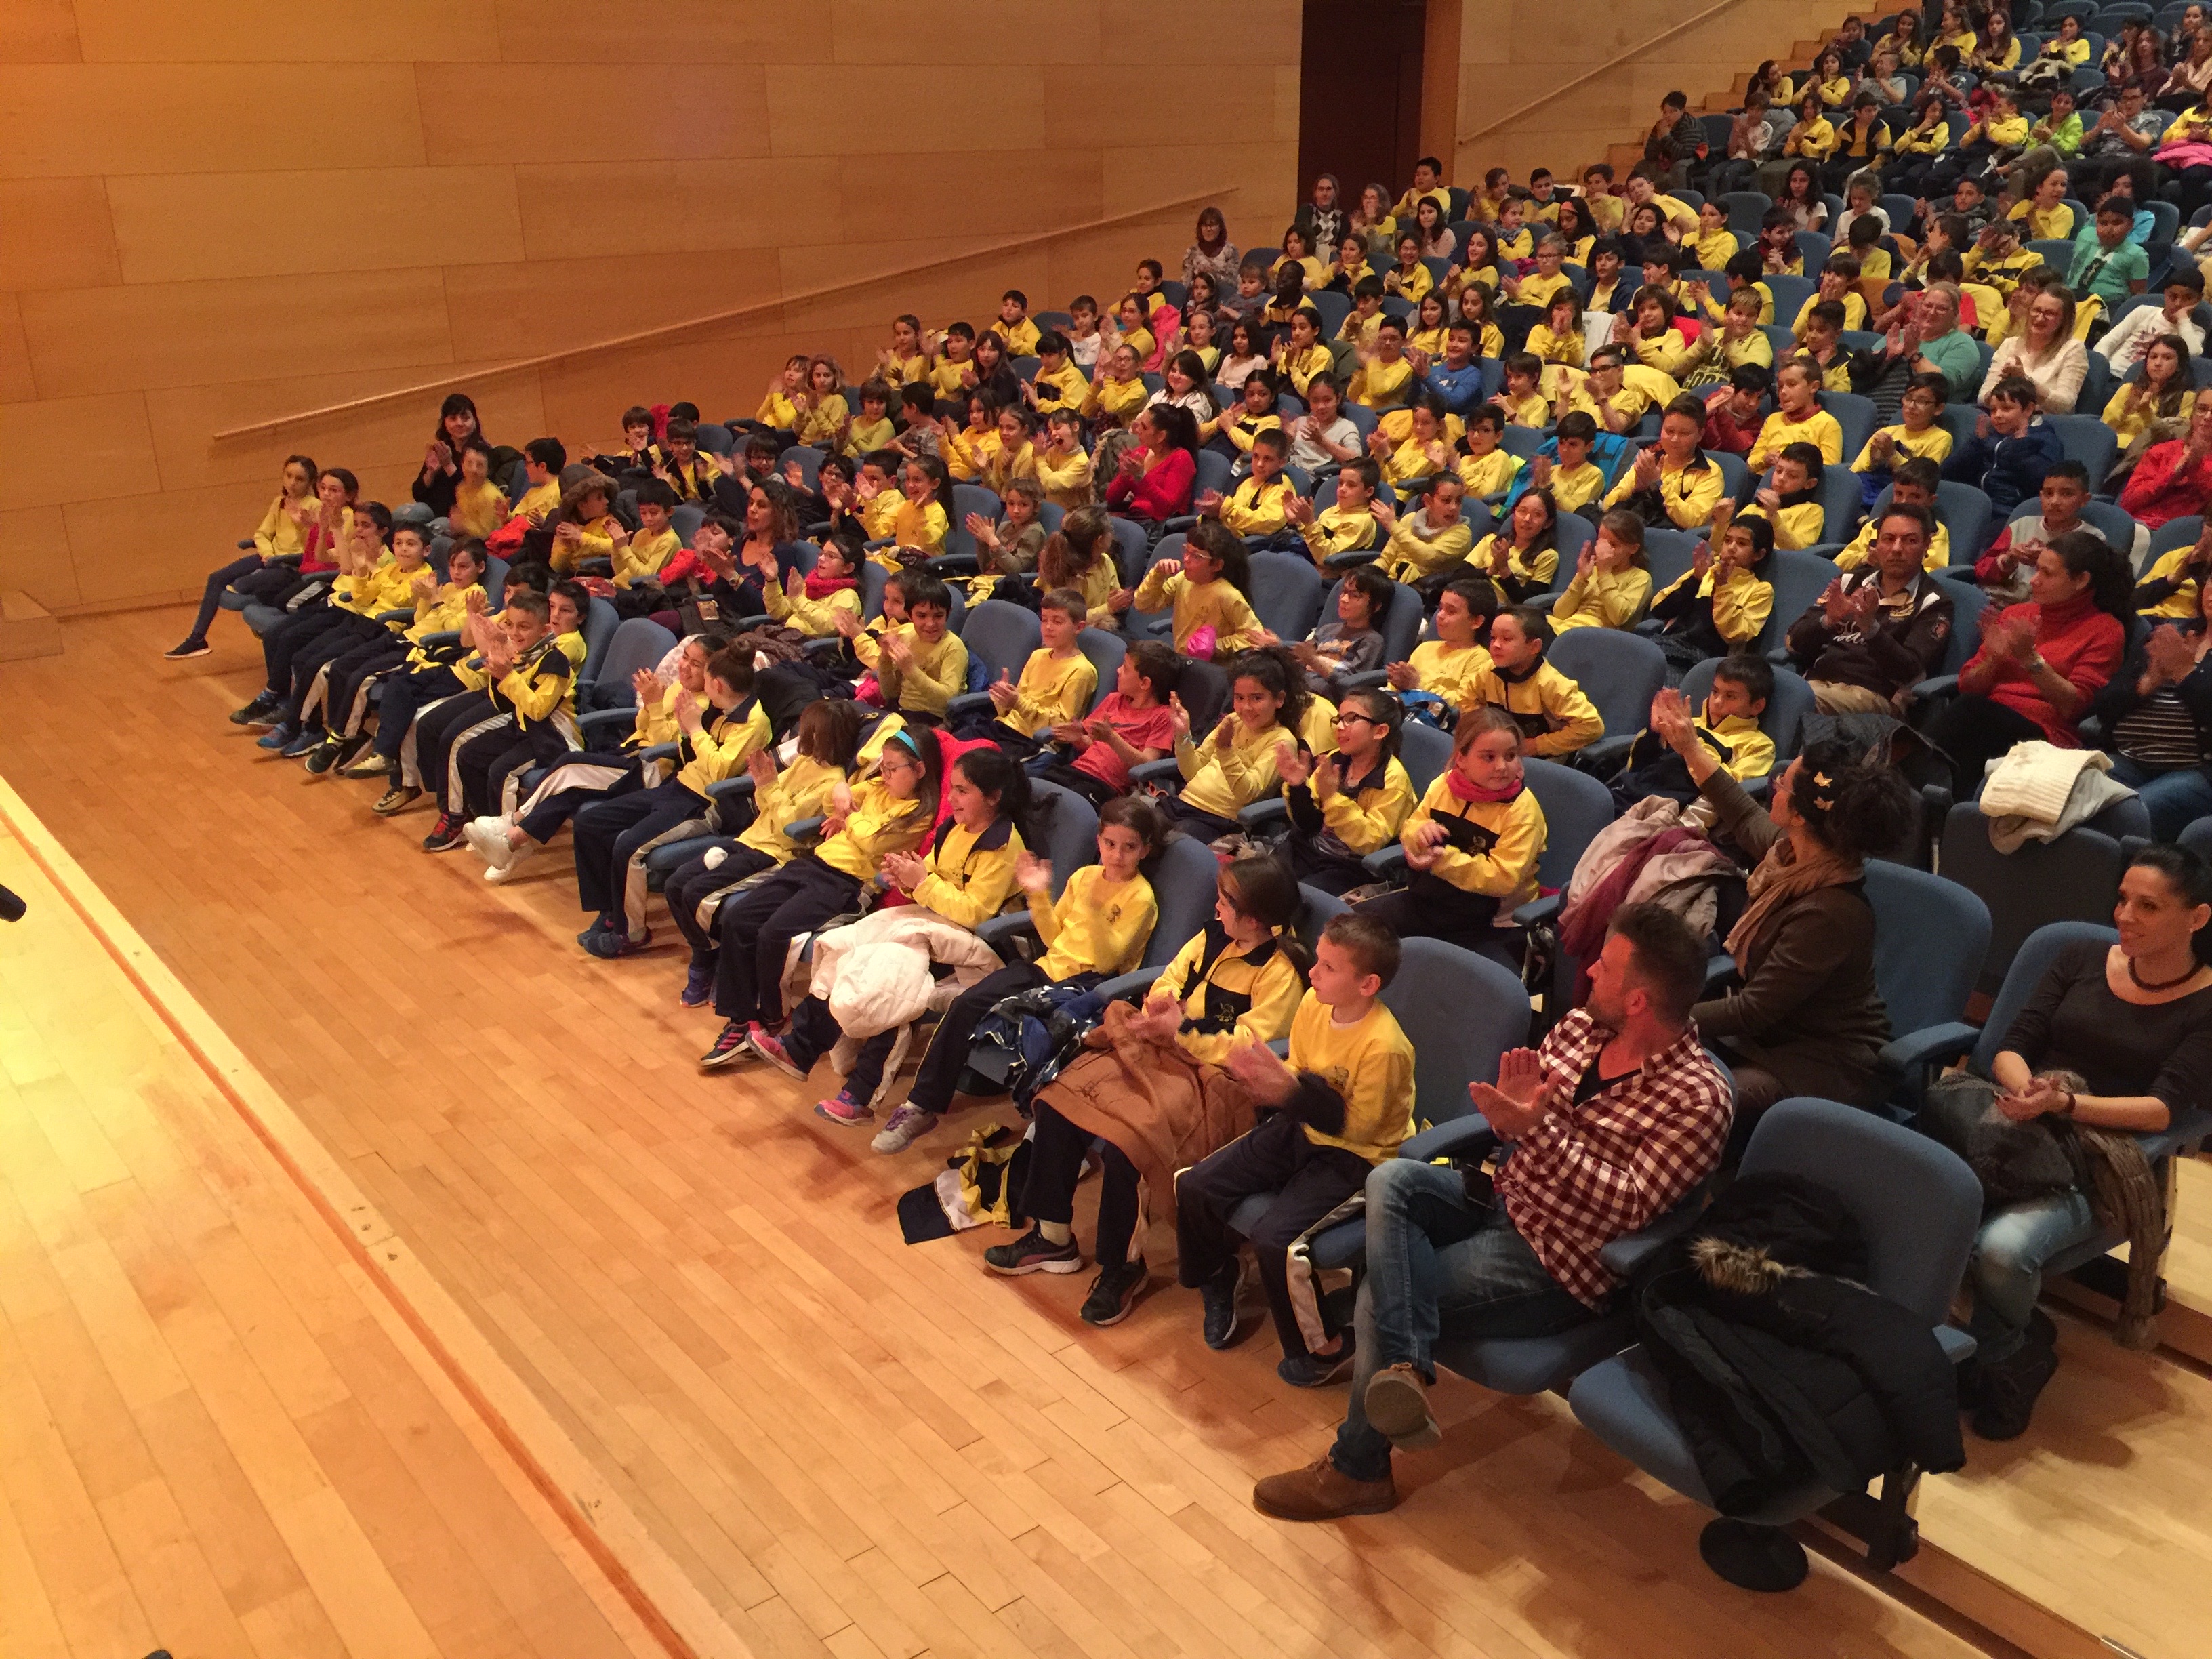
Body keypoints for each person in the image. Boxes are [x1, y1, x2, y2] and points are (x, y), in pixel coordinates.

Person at [1249, 903, 1730, 1521]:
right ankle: (1407, 1367)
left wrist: (1537, 1133)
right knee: (1393, 1180)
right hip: (1503, 1195)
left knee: (1378, 1296)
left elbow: (1631, 1207)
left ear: (1638, 1000)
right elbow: (1522, 1124)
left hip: (1559, 1258)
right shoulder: (1582, 1030)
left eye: (1605, 969)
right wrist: (1512, 1122)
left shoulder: (1696, 1098)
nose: (1586, 977)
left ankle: (1358, 1468)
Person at [1954, 846, 2212, 1438]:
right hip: (2019, 1131)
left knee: (2001, 1251)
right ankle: (1994, 1346)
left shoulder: (2204, 1003)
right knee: (1922, 1197)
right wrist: (2028, 1094)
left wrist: (2065, 1105)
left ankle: (2005, 1358)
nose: (2124, 915)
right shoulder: (2080, 955)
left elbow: (2160, 1109)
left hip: (2103, 1163)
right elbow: (2010, 1046)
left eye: (2148, 906)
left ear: (2197, 918)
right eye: (2122, 899)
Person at [988, 858, 1309, 1326]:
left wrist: (1184, 1029)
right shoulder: (1210, 937)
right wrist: (1162, 1003)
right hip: (1162, 1050)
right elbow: (1171, 978)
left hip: (1214, 1079)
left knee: (1131, 1147)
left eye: (1226, 902)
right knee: (1060, 1101)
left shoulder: (1280, 972)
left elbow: (1249, 1042)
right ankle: (1053, 1235)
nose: (1216, 907)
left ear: (1256, 919)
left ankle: (1124, 1268)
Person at [1178, 914, 1416, 1385]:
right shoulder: (1313, 1003)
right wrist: (1276, 1084)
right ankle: (1219, 1275)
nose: (1313, 972)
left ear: (1367, 984)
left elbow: (1361, 1129)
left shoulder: (1386, 1047)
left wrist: (1287, 1091)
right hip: (1304, 1125)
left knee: (1276, 1241)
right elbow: (1300, 1067)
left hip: (1358, 1157)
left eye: (1328, 967)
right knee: (1196, 1185)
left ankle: (1323, 1350)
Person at [1650, 701, 1915, 1122]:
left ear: (1799, 815)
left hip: (1824, 1062)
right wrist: (1689, 746)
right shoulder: (1794, 855)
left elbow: (1753, 1010)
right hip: (1773, 1038)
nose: (1773, 783)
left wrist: (1659, 1015)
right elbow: (1740, 811)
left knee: (1687, 1101)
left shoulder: (1830, 913)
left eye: (1785, 784)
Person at [863, 796, 1164, 1156]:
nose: (1117, 855)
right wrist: (1037, 896)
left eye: (1129, 847)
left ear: (1145, 850)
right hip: (1047, 968)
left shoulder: (1141, 897)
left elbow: (1105, 958)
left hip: (1090, 987)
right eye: (1110, 844)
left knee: (1044, 1035)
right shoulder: (1084, 877)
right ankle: (920, 1105)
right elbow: (1055, 938)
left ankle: (1047, 1141)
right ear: (1098, 840)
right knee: (966, 1003)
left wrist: (1097, 914)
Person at [749, 743, 1033, 1123]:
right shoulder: (956, 827)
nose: (953, 799)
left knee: (896, 985)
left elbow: (977, 913)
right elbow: (931, 870)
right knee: (847, 947)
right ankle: (800, 1048)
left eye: (963, 791)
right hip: (929, 921)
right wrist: (907, 873)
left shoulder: (1002, 845)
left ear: (994, 798)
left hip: (973, 941)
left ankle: (861, 1095)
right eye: (952, 789)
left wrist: (924, 883)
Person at [697, 725, 941, 1068]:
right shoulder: (875, 786)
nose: (883, 774)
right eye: (882, 766)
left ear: (919, 770)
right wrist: (843, 791)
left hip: (846, 884)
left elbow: (873, 842)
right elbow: (834, 797)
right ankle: (740, 1020)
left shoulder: (917, 814)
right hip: (813, 863)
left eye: (892, 768)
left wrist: (851, 816)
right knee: (739, 919)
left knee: (775, 933)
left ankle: (772, 1018)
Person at [663, 698, 866, 1010]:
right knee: (676, 884)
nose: (801, 734)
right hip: (749, 839)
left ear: (822, 736)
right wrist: (766, 785)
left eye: (807, 730)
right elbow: (765, 800)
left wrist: (770, 786)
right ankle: (708, 952)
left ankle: (706, 961)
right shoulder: (804, 763)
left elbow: (790, 825)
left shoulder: (833, 781)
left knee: (696, 892)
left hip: (774, 855)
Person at [567, 647, 770, 956]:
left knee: (629, 847)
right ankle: (611, 912)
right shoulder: (720, 710)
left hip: (704, 804)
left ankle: (631, 934)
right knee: (590, 822)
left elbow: (719, 773)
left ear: (717, 685)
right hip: (678, 787)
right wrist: (687, 731)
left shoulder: (753, 723)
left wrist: (696, 728)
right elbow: (688, 755)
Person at [1929, 531, 2133, 794]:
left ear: (2081, 580)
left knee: (1970, 717)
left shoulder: (2106, 630)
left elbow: (2074, 707)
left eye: (2047, 574)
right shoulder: (2016, 614)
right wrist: (1994, 660)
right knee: (1967, 719)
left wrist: (2030, 660)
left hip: (2045, 736)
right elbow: (1967, 686)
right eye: (2036, 571)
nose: (2034, 581)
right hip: (1985, 720)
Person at [1353, 707, 1547, 966]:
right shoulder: (1443, 785)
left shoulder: (1523, 811)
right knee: (1352, 934)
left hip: (1491, 921)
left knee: (1440, 979)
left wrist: (1441, 860)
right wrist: (1418, 837)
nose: (1502, 766)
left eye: (1511, 756)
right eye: (1488, 757)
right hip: (1430, 900)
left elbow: (1504, 879)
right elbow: (1412, 826)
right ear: (1462, 759)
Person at [1785, 502, 1957, 713]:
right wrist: (1827, 622)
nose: (1896, 549)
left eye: (1909, 541)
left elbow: (1911, 673)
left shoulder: (1934, 602)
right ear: (1877, 543)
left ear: (1927, 544)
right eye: (1888, 539)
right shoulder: (1849, 582)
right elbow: (1794, 643)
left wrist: (1870, 629)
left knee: (1791, 704)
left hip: (1875, 697)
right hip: (1818, 682)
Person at [169, 453, 325, 659]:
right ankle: (197, 639)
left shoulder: (315, 506)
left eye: (299, 479)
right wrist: (267, 553)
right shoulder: (280, 502)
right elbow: (262, 534)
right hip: (269, 557)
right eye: (289, 476)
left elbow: (314, 546)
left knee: (241, 585)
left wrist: (302, 524)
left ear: (310, 482)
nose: (292, 483)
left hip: (290, 564)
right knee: (216, 578)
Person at [2094, 581, 2212, 836]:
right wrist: (2147, 683)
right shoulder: (2172, 633)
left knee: (2132, 813)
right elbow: (2103, 706)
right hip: (2128, 758)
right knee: (2075, 797)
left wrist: (2185, 673)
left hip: (2195, 772)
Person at [1160, 646, 1310, 841]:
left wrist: (1225, 750)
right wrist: (1183, 736)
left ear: (1279, 699)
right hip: (1183, 804)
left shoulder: (1281, 740)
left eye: (1257, 698)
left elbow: (1248, 793)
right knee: (1131, 825)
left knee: (1167, 844)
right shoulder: (1233, 721)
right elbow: (1192, 773)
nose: (1246, 707)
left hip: (1219, 820)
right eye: (1240, 698)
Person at [1277, 689, 1417, 894]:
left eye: (1351, 719)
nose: (1340, 727)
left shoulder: (1392, 780)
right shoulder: (1337, 759)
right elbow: (1311, 824)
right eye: (1339, 719)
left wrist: (1333, 799)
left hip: (1349, 867)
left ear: (1380, 731)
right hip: (1310, 850)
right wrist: (1298, 787)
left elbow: (1370, 842)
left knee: (1292, 897)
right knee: (1261, 882)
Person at [1031, 636, 1180, 807]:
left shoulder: (1162, 716)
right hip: (1075, 770)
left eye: (1125, 668)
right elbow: (1092, 746)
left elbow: (1147, 764)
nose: (1118, 670)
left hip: (1104, 786)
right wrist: (1078, 739)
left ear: (1145, 683)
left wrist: (1111, 738)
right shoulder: (1114, 700)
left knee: (1059, 805)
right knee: (1029, 791)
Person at [1646, 508, 1774, 665]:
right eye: (1727, 541)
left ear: (1759, 555)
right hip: (1667, 645)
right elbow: (1659, 608)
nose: (1732, 547)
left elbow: (1734, 634)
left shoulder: (1761, 590)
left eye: (1741, 543)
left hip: (1704, 661)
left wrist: (1723, 587)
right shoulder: (1705, 571)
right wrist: (1695, 580)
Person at [1946, 375, 2067, 516]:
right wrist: (1976, 443)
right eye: (1993, 410)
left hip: (2008, 513)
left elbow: (2045, 482)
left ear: (2028, 410)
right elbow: (1948, 473)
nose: (1997, 415)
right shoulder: (1990, 435)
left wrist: (2020, 449)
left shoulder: (2042, 438)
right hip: (1974, 507)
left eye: (2006, 408)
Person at [2119, 396, 2212, 526]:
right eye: (2202, 409)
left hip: (2179, 535)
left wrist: (2197, 468)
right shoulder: (2163, 451)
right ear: (2192, 415)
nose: (2207, 417)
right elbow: (2128, 503)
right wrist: (2169, 477)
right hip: (2137, 524)